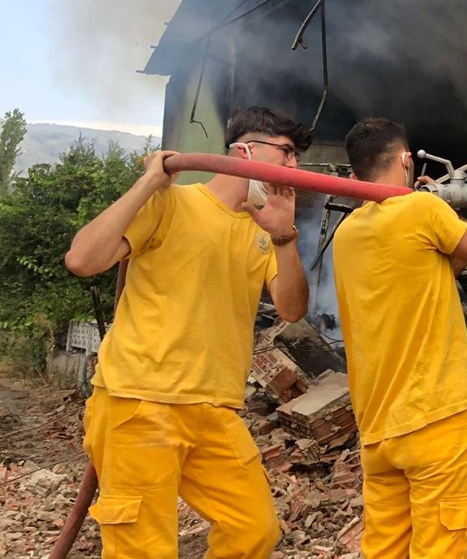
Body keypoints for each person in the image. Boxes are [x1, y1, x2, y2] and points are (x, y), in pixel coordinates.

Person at [64, 107, 312, 558]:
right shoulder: (174, 202)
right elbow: (82, 260)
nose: (295, 168)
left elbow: (292, 309)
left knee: (254, 529)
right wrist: (148, 184)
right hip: (139, 402)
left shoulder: (263, 231)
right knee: (143, 549)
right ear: (245, 150)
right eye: (288, 153)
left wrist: (284, 237)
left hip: (214, 409)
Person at [332, 118, 467, 559]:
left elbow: (427, 275)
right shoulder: (423, 210)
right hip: (434, 421)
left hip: (378, 431)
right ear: (407, 160)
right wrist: (460, 217)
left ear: (356, 172)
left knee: (384, 549)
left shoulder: (346, 234)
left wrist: (462, 236)